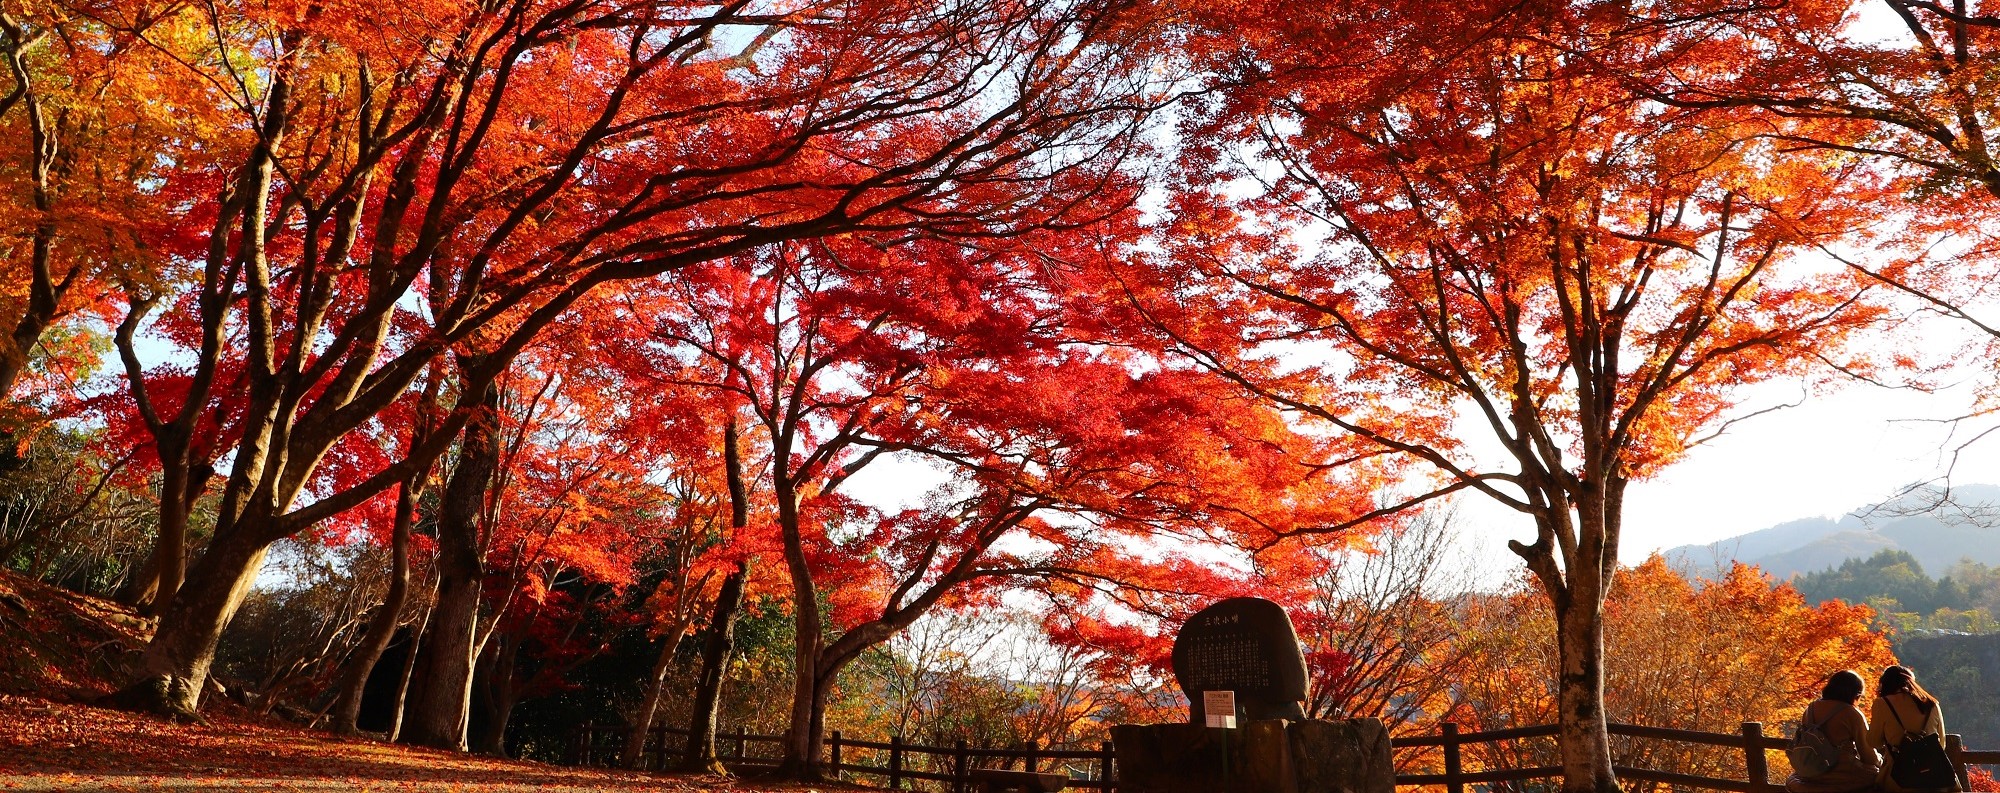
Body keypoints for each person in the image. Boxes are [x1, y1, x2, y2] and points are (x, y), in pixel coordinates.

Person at [1787, 670, 1882, 793]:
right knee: (1878, 776)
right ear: (1855, 694)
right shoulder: (1852, 714)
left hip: (1810, 774)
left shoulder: (1810, 709)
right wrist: (1881, 761)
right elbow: (1868, 755)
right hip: (1842, 776)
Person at [1870, 665, 1961, 792]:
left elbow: (1874, 742)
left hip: (1898, 780)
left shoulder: (1882, 703)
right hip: (1936, 780)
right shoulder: (1932, 704)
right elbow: (1941, 743)